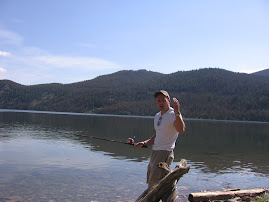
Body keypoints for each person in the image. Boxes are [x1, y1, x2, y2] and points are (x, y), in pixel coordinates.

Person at [135, 90, 186, 188]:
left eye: (163, 100)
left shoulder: (173, 114)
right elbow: (156, 136)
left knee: (156, 182)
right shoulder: (157, 116)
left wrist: (177, 113)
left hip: (165, 152)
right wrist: (144, 143)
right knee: (151, 179)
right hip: (155, 152)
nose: (161, 103)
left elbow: (181, 130)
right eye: (158, 101)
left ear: (169, 101)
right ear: (156, 103)